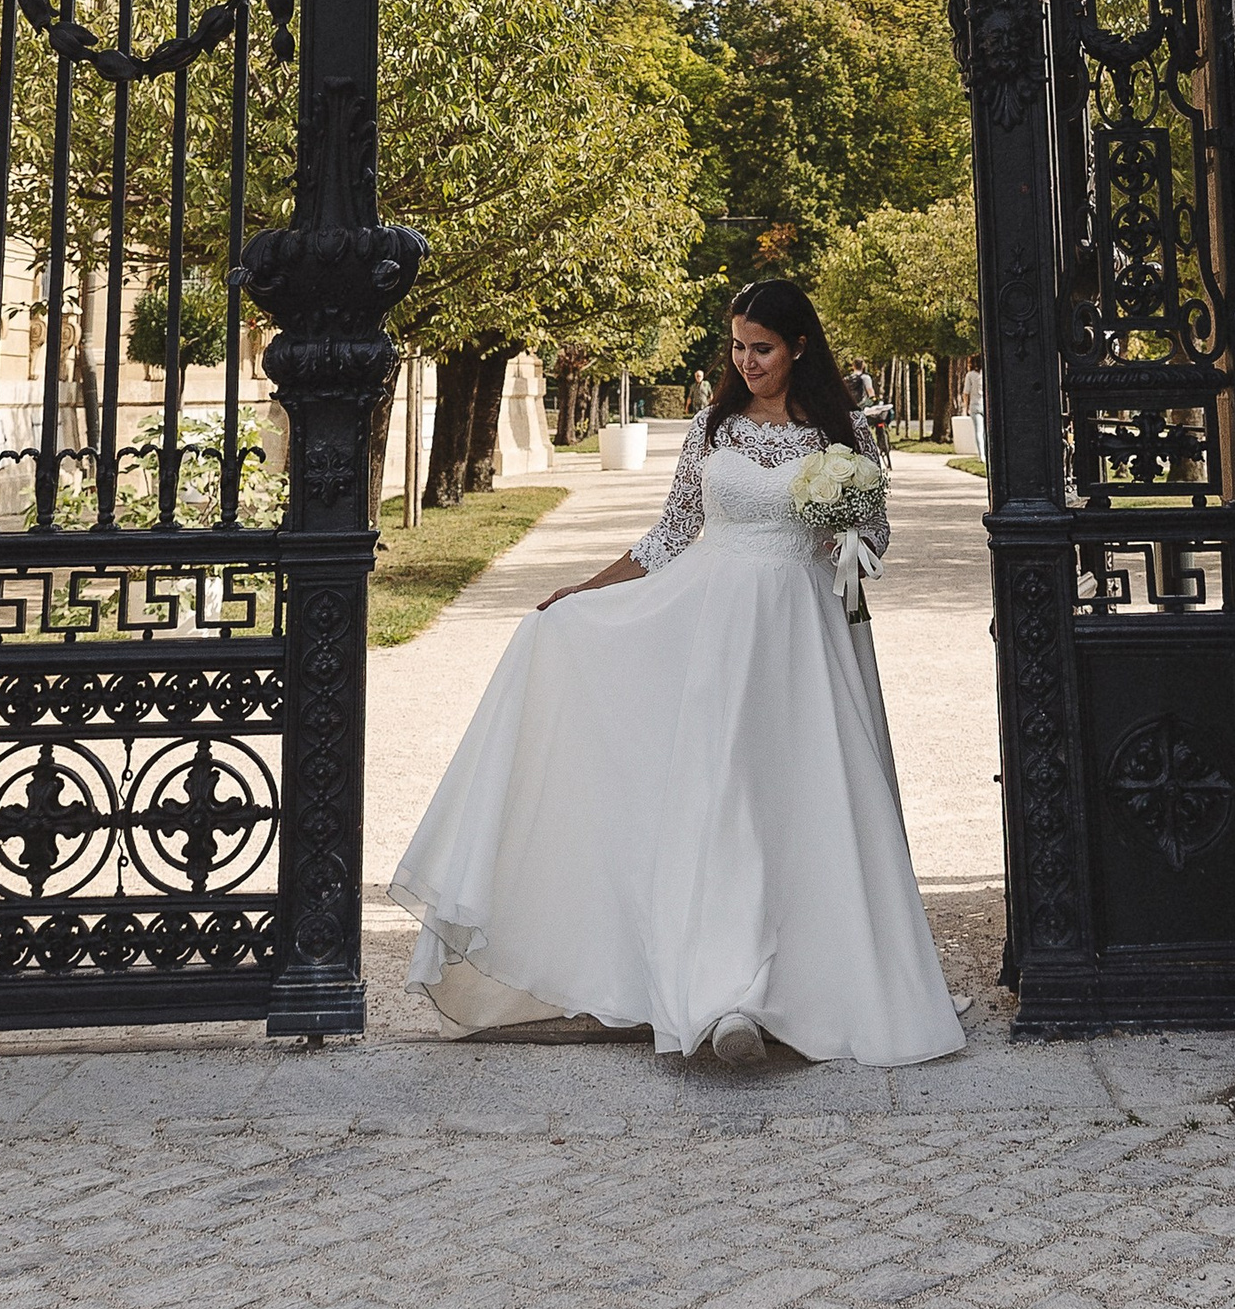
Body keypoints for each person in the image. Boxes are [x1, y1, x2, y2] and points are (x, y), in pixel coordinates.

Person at [391, 278, 964, 1069]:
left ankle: (804, 985)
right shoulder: (713, 426)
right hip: (715, 630)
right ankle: (721, 993)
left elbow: (874, 538)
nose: (746, 359)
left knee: (799, 798)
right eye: (736, 345)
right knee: (720, 796)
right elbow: (668, 535)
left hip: (801, 636)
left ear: (799, 345)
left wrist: (845, 532)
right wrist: (583, 594)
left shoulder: (842, 433)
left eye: (761, 346)